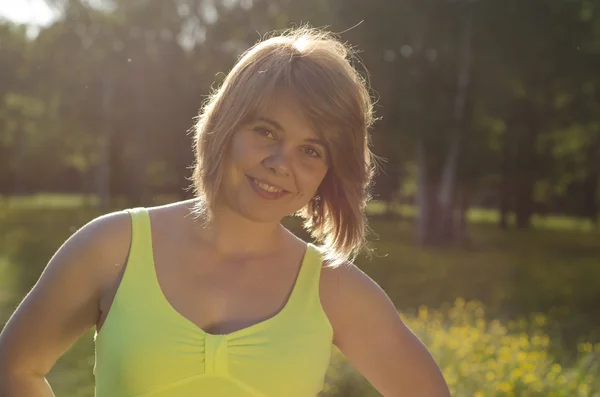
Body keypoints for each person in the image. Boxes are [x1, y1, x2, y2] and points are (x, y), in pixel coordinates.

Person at [0, 27, 450, 397]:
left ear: (328, 173)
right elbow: (14, 369)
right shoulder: (110, 247)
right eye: (266, 132)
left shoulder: (335, 289)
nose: (281, 163)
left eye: (310, 150)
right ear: (225, 127)